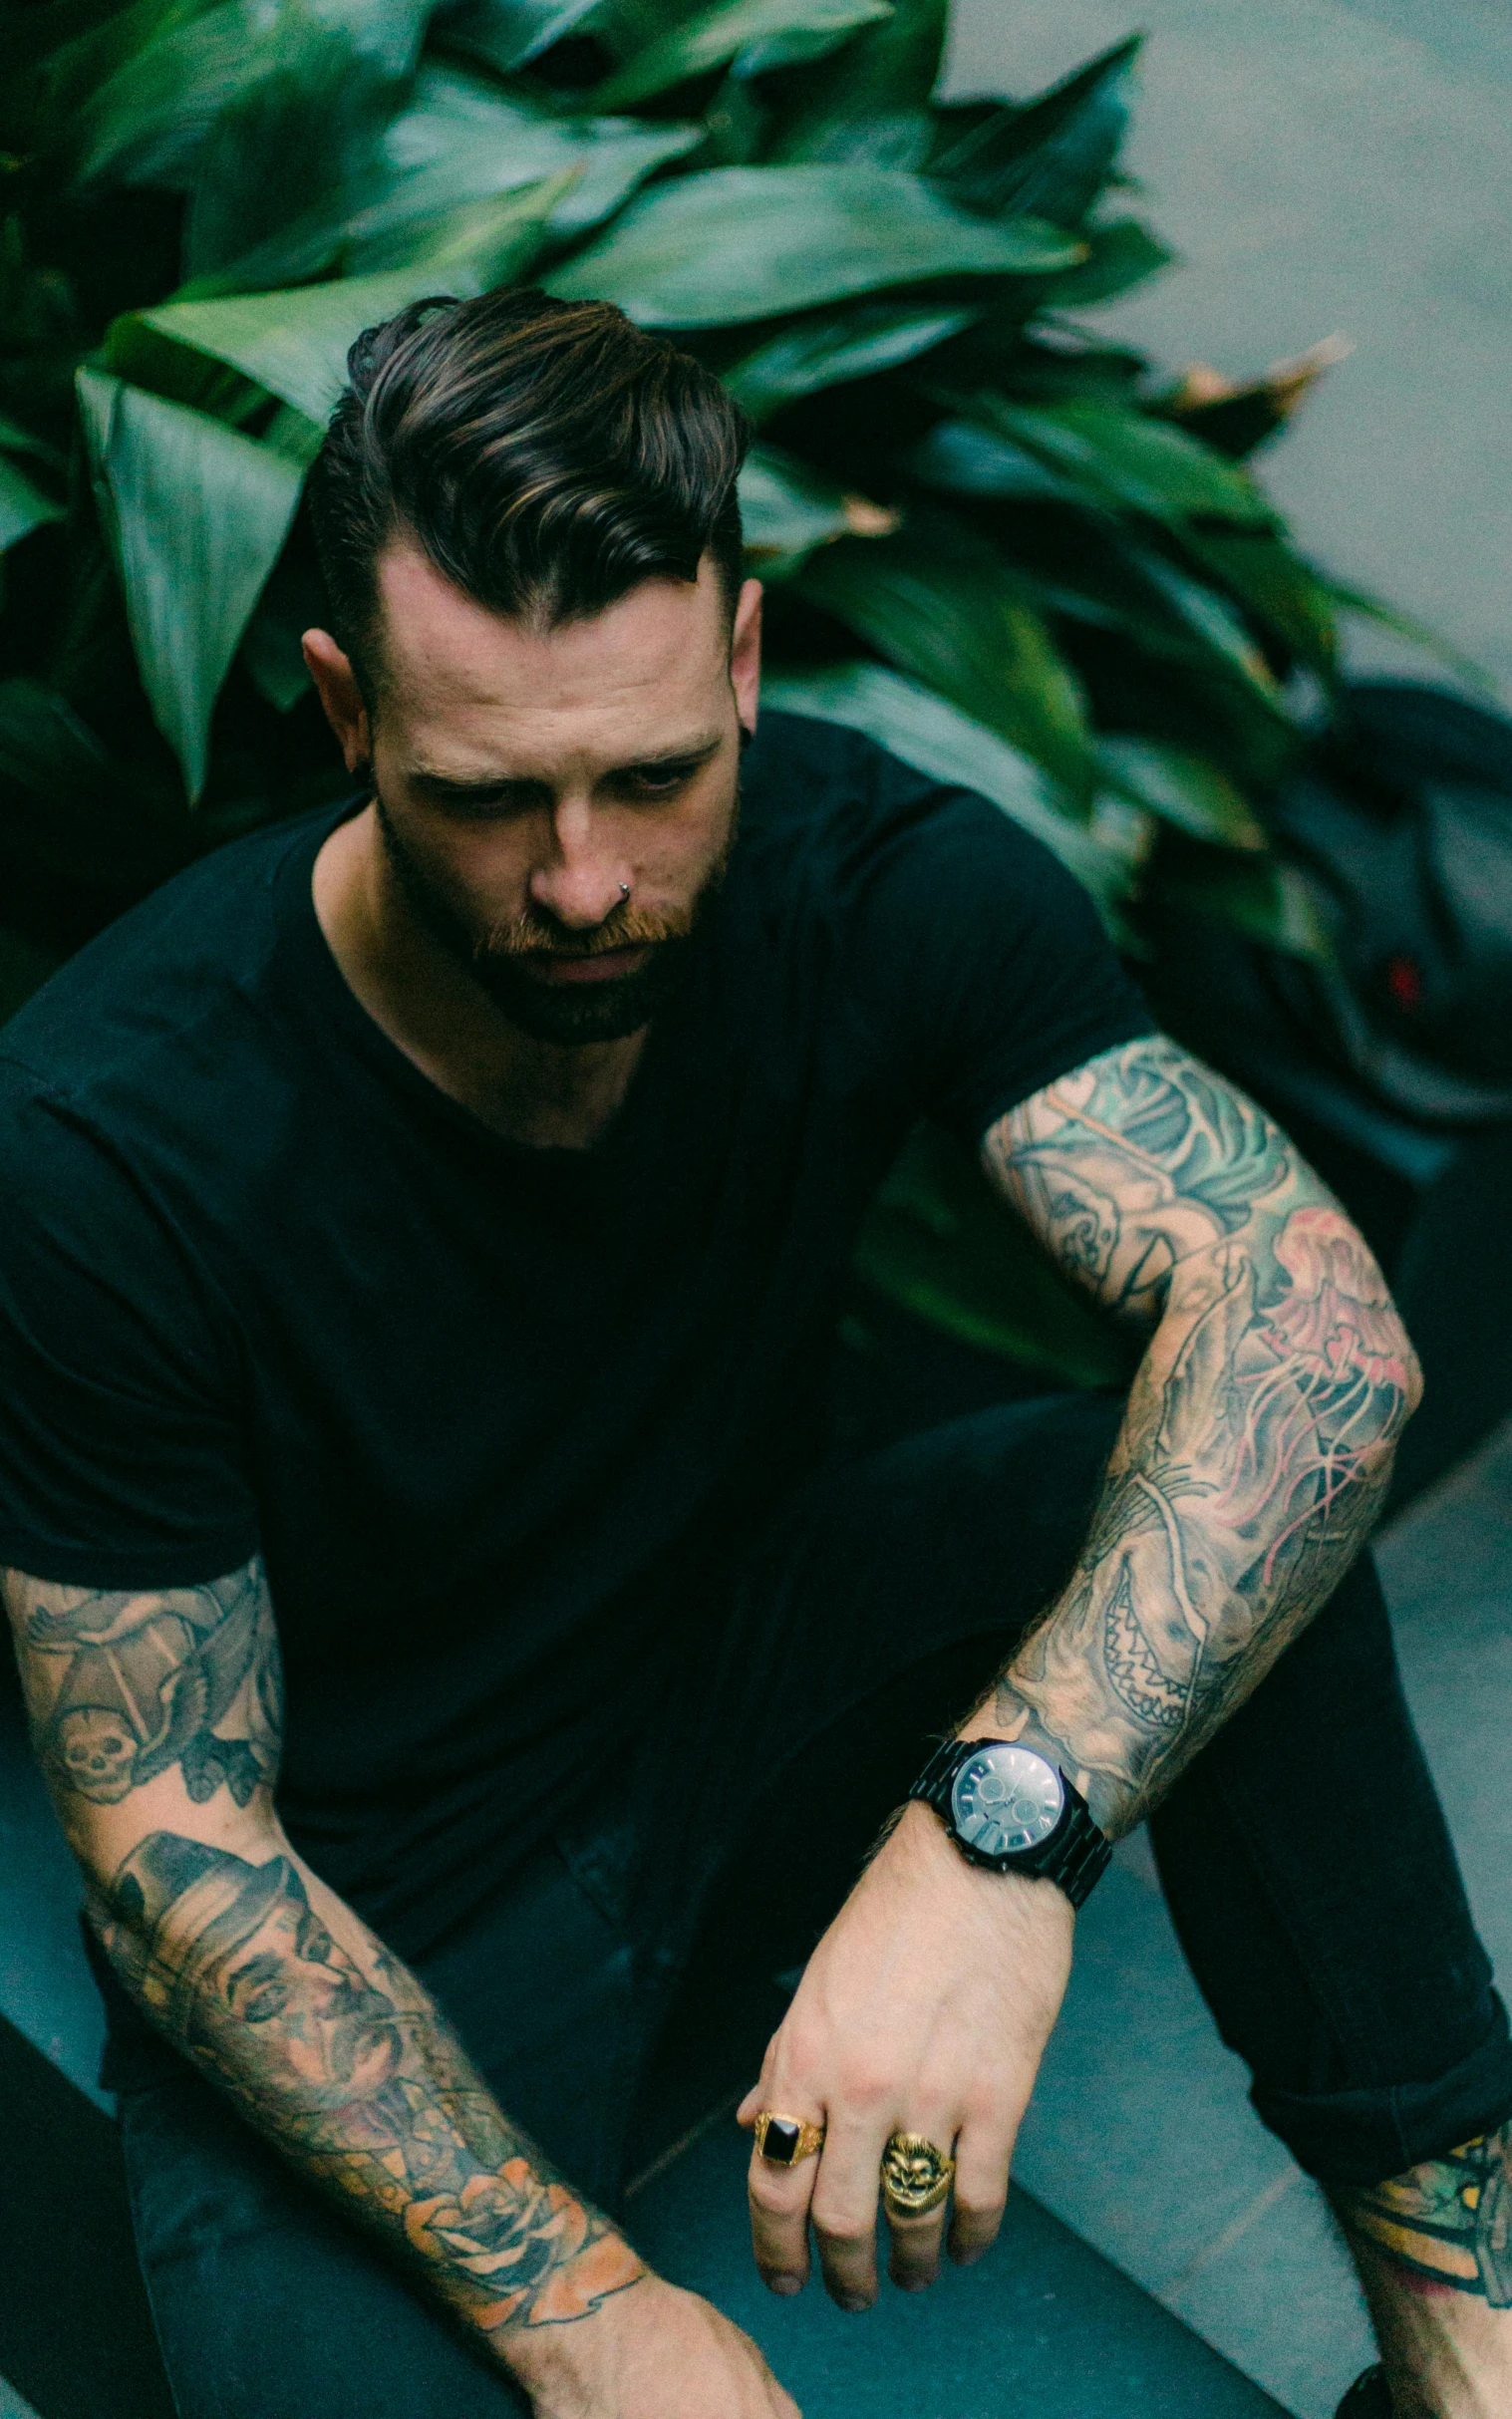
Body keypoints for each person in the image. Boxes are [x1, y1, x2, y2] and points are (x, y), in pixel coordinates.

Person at [1, 288, 1507, 2419]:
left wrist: (995, 1843)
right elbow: (176, 1852)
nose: (587, 880)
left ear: (742, 664)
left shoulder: (872, 874)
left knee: (1204, 1464)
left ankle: (1470, 2351)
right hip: (381, 1901)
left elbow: (1312, 1330)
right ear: (342, 710)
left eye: (652, 775)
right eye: (487, 797)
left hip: (748, 1696)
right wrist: (586, 2314)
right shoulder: (104, 1138)